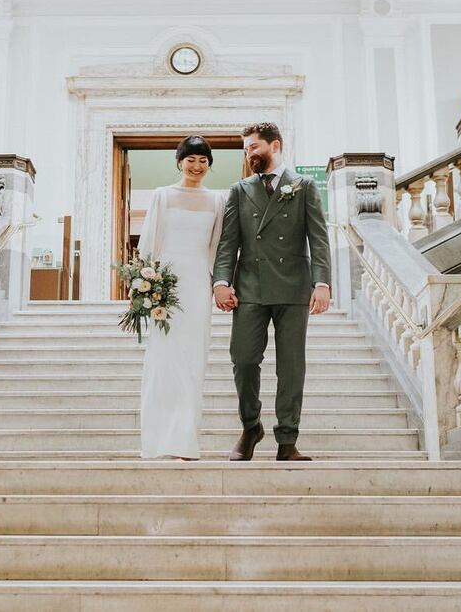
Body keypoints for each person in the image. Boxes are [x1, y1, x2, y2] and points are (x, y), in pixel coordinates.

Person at [213, 122, 331, 461]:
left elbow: (318, 238)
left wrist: (321, 283)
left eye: (253, 147)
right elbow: (228, 242)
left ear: (274, 146)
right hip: (250, 286)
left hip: (294, 286)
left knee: (292, 366)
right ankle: (251, 426)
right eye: (246, 149)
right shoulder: (239, 190)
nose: (249, 154)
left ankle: (287, 440)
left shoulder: (304, 186)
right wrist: (222, 282)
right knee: (244, 359)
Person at [137, 136, 225, 460]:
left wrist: (217, 284)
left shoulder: (218, 200)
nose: (197, 166)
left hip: (197, 284)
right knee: (163, 362)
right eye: (191, 160)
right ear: (179, 161)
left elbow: (215, 247)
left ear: (209, 165)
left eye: (203, 161)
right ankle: (158, 441)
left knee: (192, 361)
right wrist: (146, 283)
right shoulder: (162, 195)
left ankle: (185, 440)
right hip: (166, 286)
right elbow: (149, 242)